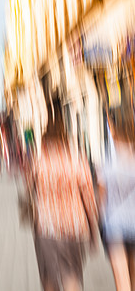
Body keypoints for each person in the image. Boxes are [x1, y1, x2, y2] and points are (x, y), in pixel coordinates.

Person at [32, 97, 99, 291]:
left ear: (44, 138)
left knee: (49, 277)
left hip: (46, 228)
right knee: (71, 276)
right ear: (65, 137)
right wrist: (93, 230)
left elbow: (31, 194)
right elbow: (88, 198)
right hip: (75, 226)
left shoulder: (38, 163)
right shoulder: (78, 160)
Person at [97, 112, 135, 291]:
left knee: (122, 282)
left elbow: (101, 199)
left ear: (115, 133)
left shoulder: (107, 161)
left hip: (114, 226)